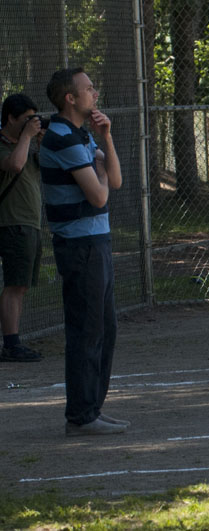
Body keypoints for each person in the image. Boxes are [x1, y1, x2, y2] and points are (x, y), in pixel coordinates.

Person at [40, 68, 127, 436]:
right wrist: (100, 172)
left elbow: (115, 180)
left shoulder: (83, 135)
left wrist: (106, 138)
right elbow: (99, 196)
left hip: (97, 242)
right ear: (70, 98)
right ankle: (80, 416)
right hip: (80, 247)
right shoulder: (62, 138)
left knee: (105, 329)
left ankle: (92, 408)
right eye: (88, 88)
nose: (95, 93)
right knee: (86, 331)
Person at [0, 93, 45, 362]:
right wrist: (27, 136)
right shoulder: (4, 145)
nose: (32, 123)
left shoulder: (27, 145)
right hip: (11, 222)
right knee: (15, 285)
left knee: (21, 285)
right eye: (27, 119)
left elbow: (48, 168)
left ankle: (13, 342)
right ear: (11, 118)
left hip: (29, 223)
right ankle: (11, 344)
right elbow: (15, 165)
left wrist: (39, 141)